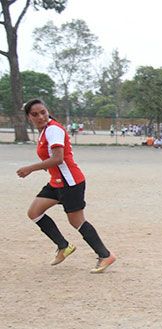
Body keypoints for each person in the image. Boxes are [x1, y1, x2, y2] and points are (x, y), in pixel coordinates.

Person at [16, 99, 116, 273]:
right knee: (34, 212)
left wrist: (30, 169)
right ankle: (63, 246)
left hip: (70, 182)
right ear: (28, 117)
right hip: (56, 182)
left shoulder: (53, 129)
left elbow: (58, 158)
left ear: (48, 111)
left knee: (76, 221)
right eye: (35, 114)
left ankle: (105, 255)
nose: (40, 116)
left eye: (43, 112)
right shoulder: (44, 131)